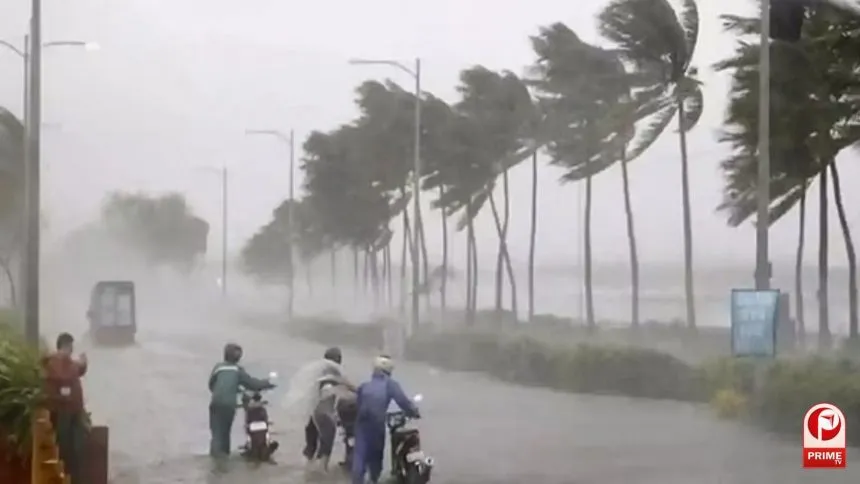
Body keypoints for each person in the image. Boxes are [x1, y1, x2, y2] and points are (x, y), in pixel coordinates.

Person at [351, 355, 419, 484]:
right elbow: (403, 402)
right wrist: (414, 412)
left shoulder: (365, 385)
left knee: (360, 454)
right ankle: (373, 479)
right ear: (389, 370)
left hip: (361, 423)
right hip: (377, 424)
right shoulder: (390, 384)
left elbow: (357, 403)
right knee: (376, 456)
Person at [208, 342, 274, 458]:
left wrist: (225, 392)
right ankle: (223, 457)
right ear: (238, 358)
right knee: (225, 433)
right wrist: (267, 383)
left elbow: (211, 384)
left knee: (216, 433)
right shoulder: (237, 370)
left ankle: (215, 457)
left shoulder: (218, 367)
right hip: (229, 405)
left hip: (215, 403)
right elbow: (252, 384)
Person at [42, 333, 88, 484]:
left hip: (74, 410)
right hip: (63, 410)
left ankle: (73, 476)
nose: (71, 350)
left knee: (77, 445)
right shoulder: (55, 363)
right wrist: (79, 363)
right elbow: (65, 375)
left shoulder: (67, 363)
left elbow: (77, 370)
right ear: (63, 346)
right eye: (69, 346)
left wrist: (83, 364)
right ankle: (66, 476)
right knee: (65, 446)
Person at [303, 346, 356, 472]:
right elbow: (348, 387)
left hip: (313, 412)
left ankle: (308, 468)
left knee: (311, 442)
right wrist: (361, 391)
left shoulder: (319, 373)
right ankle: (322, 471)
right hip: (325, 414)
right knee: (327, 442)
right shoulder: (334, 374)